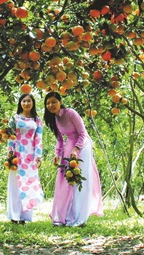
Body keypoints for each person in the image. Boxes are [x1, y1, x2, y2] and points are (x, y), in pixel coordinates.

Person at [44, 91, 103, 227]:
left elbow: (82, 133)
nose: (51, 105)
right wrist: (57, 154)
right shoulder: (54, 118)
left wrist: (77, 149)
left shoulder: (70, 113)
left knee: (79, 179)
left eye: (53, 102)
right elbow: (59, 139)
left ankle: (79, 217)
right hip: (69, 144)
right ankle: (65, 215)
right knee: (66, 179)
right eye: (48, 103)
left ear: (60, 102)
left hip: (83, 145)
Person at [6, 93, 44, 224]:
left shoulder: (37, 120)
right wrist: (10, 153)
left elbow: (39, 138)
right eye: (24, 101)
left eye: (29, 101)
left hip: (31, 156)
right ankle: (14, 215)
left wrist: (38, 156)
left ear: (33, 103)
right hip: (17, 154)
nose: (26, 103)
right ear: (20, 103)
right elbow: (10, 137)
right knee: (15, 184)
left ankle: (24, 216)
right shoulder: (14, 118)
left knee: (29, 184)